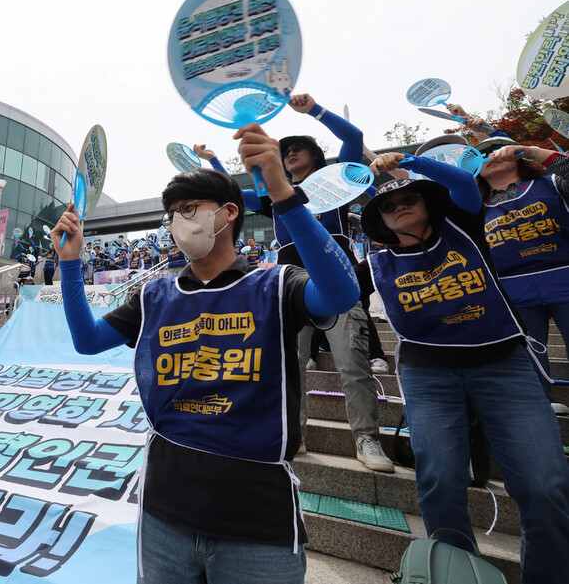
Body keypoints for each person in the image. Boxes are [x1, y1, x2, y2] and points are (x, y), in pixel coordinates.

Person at [51, 123, 361, 583]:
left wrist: (282, 193)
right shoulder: (155, 295)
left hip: (258, 525)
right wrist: (70, 264)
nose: (179, 220)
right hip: (163, 513)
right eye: (172, 213)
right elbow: (87, 340)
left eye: (190, 208)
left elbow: (340, 294)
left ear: (230, 212)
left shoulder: (275, 285)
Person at [361, 152, 569, 584]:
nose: (398, 205)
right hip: (427, 375)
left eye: (409, 198)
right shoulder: (375, 261)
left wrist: (411, 159)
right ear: (379, 221)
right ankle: (454, 575)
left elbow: (457, 178)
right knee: (440, 482)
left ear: (429, 203)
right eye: (387, 205)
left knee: (545, 486)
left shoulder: (466, 225)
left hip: (504, 363)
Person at [237, 93, 392, 470]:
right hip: (287, 282)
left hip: (333, 274)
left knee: (353, 364)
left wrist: (315, 111)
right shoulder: (270, 195)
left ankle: (366, 439)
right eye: (285, 151)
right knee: (289, 365)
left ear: (316, 156)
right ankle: (295, 435)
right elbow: (226, 197)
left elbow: (353, 139)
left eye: (298, 149)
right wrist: (204, 168)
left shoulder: (335, 181)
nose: (290, 154)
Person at [475, 136, 569, 389]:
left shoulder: (552, 183)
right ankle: (541, 409)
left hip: (565, 278)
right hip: (514, 292)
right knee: (528, 361)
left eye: (496, 150)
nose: (490, 157)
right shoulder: (474, 206)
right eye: (480, 154)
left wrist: (531, 150)